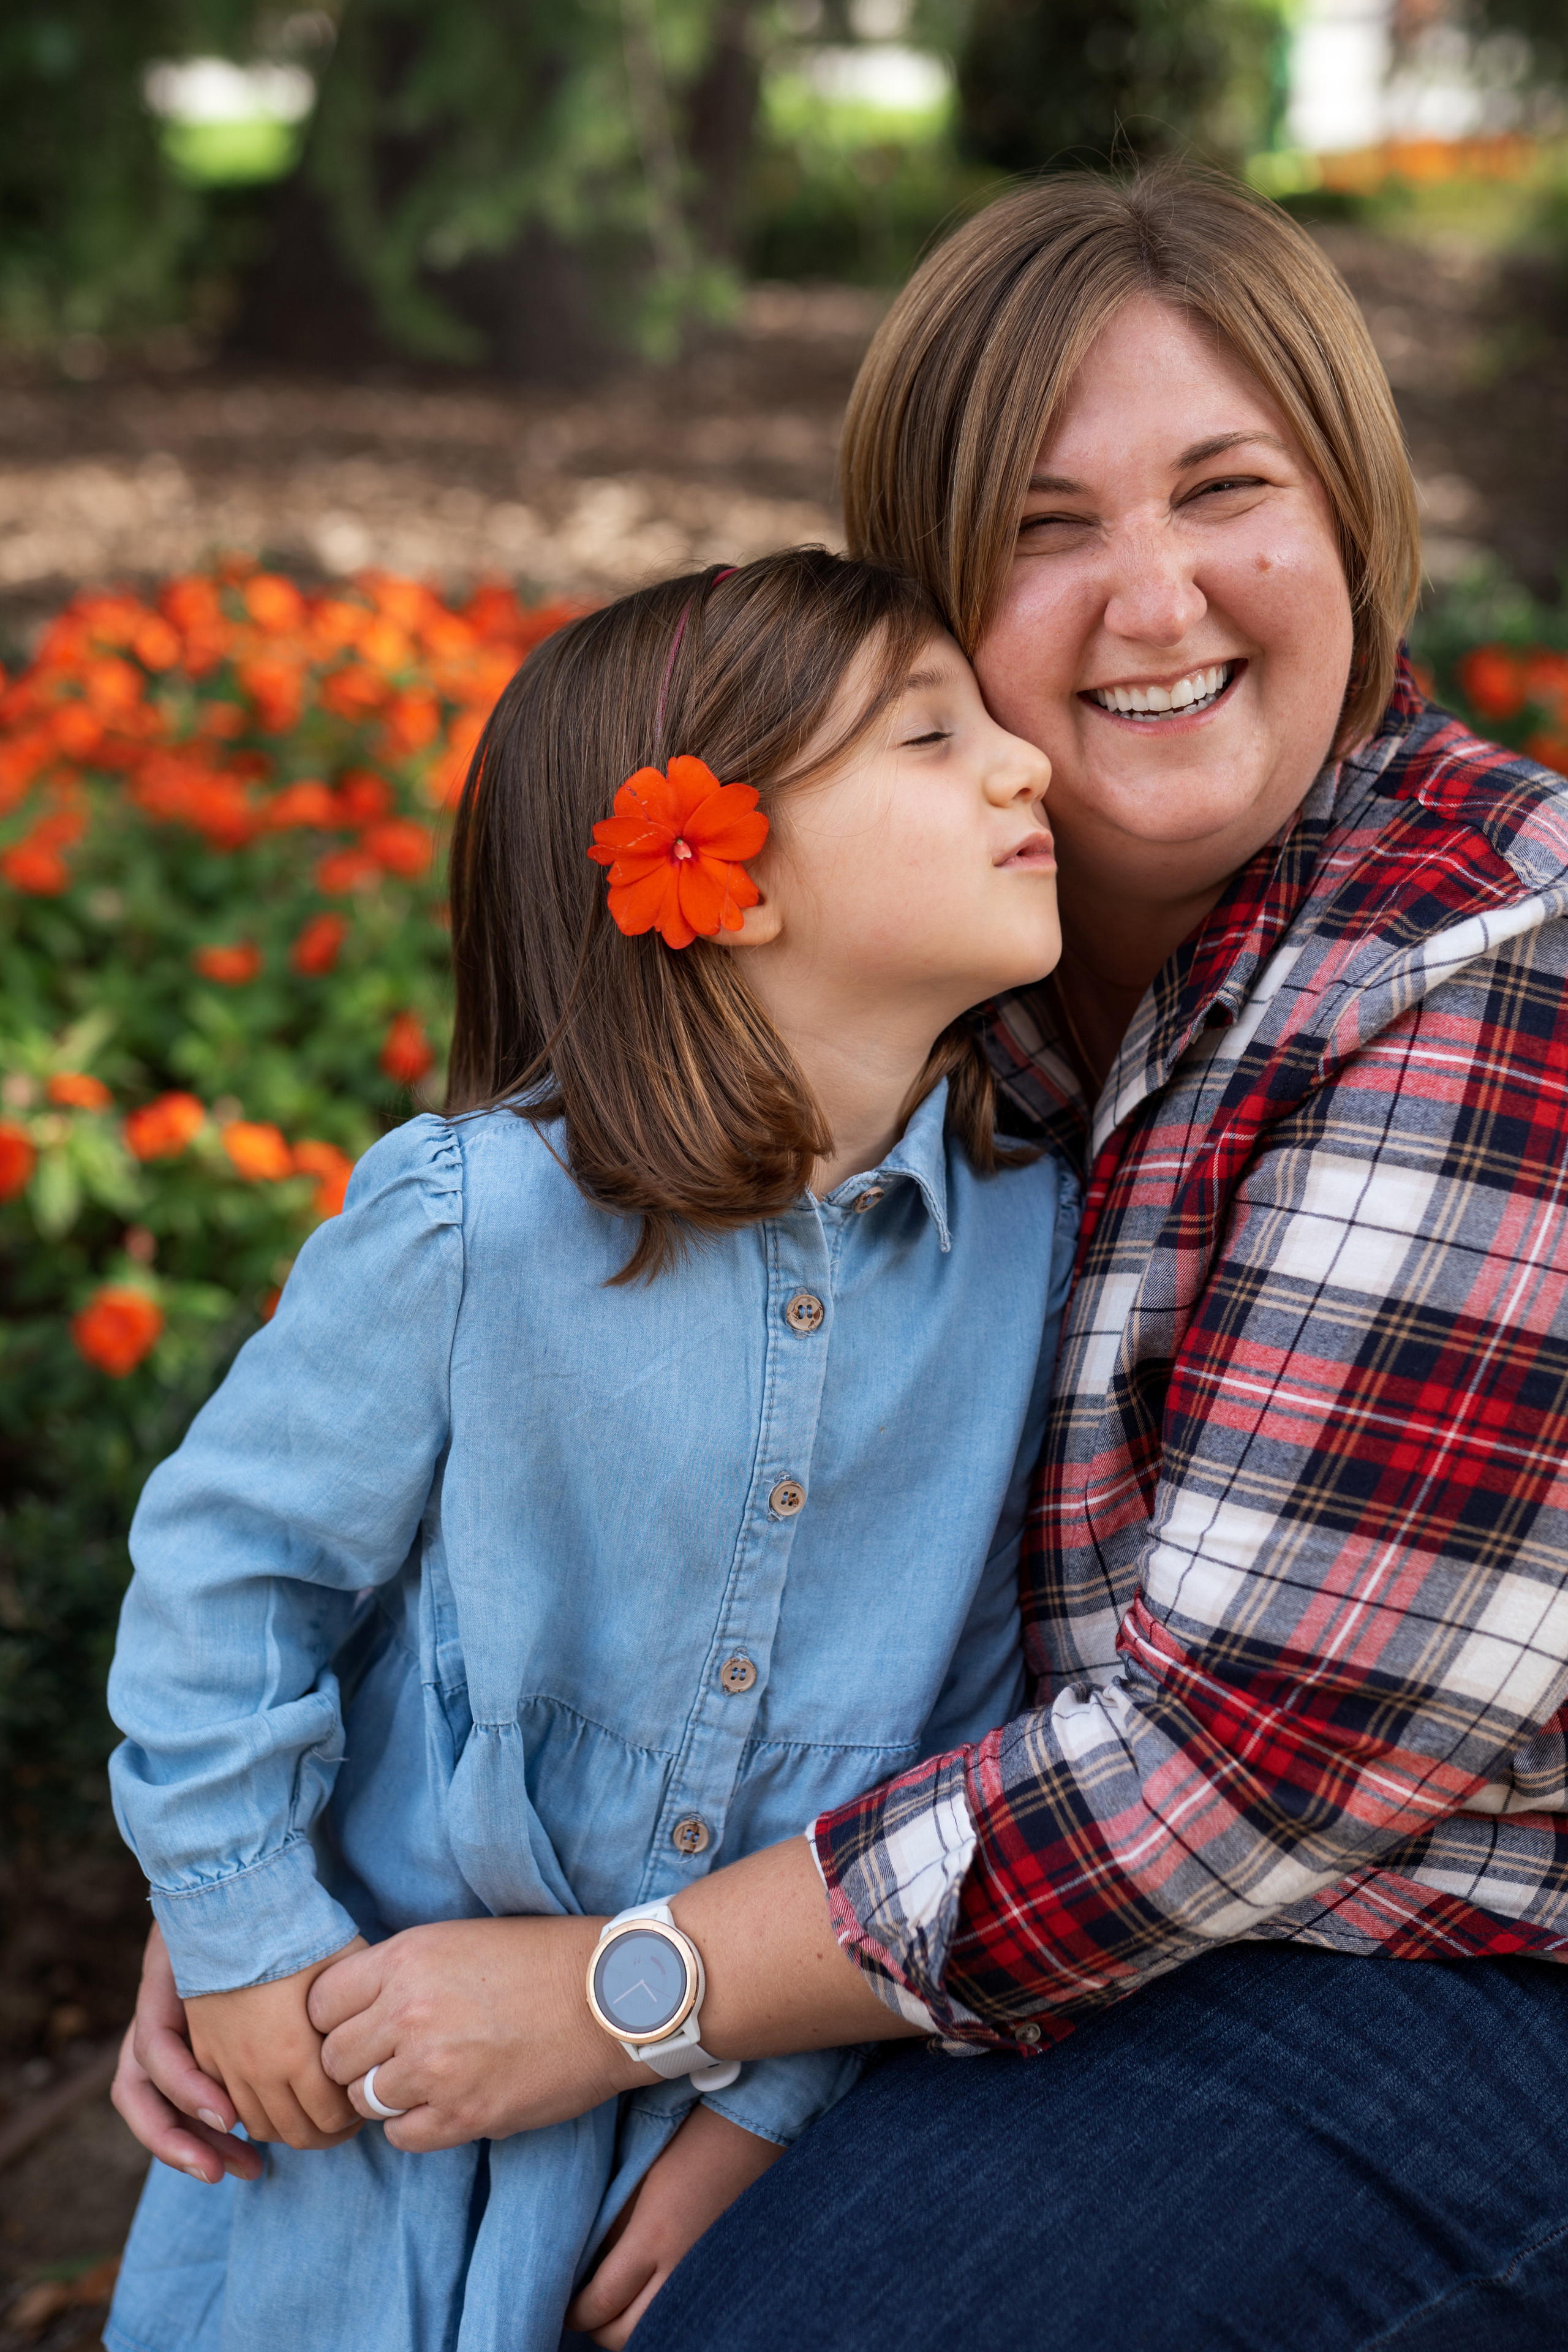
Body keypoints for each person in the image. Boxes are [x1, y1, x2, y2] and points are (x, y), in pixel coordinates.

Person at [116, 162, 1568, 2349]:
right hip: (987, 1932)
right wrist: (262, 1885)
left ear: (1355, 517)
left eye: (1225, 489)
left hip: (1429, 1957)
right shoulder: (937, 1010)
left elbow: (1226, 1762)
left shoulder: (1484, 960)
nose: (1152, 598)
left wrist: (647, 2008)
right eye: (1043, 529)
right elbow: (319, 1548)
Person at [100, 546, 1079, 2352]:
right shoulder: (477, 1226)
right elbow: (231, 1575)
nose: (1024, 762)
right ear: (713, 877)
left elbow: (965, 1724)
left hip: (726, 2075)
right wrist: (244, 1941)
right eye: (933, 739)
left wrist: (749, 2119)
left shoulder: (1031, 1250)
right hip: (362, 2085)